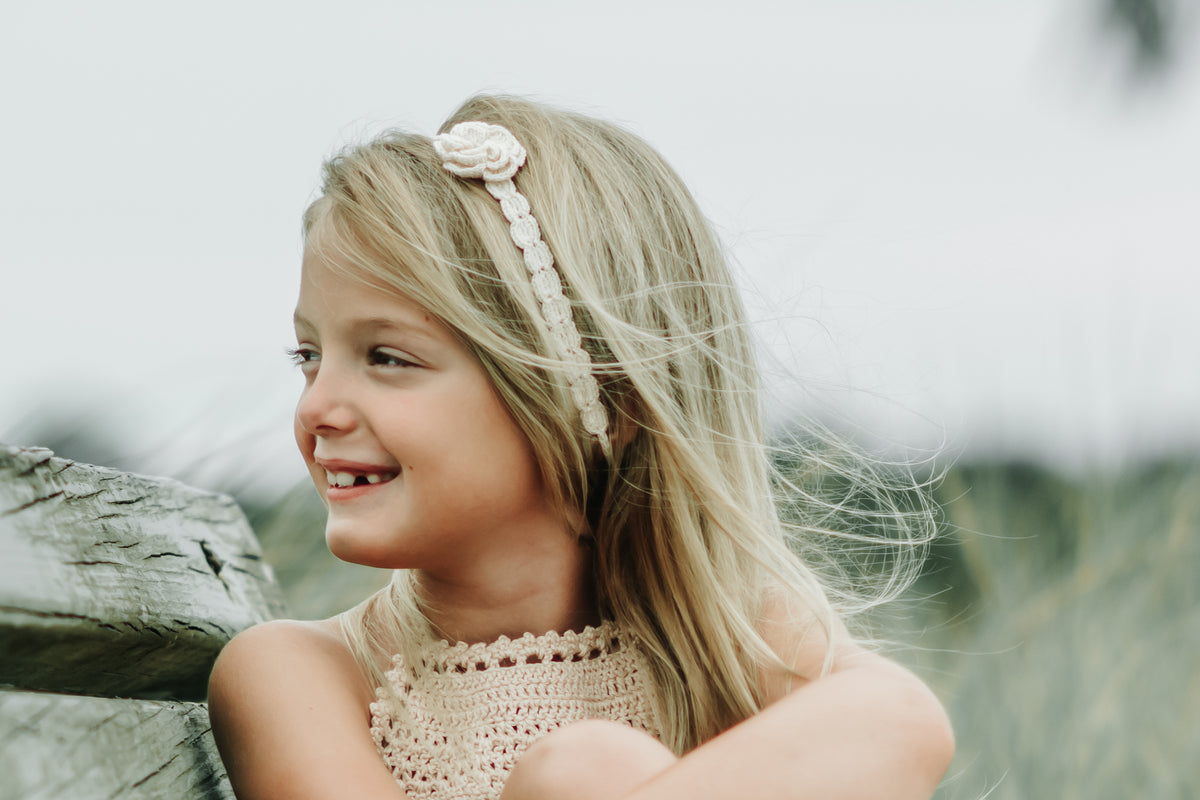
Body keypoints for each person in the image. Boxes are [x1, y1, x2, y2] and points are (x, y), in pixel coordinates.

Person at [207, 94, 955, 800]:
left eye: (387, 358)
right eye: (307, 355)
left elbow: (904, 720)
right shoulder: (307, 674)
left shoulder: (724, 637)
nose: (319, 407)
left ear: (594, 397)